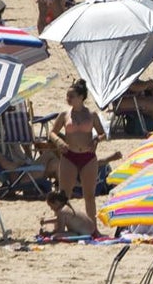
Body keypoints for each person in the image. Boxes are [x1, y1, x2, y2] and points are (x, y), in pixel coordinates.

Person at [50, 80, 122, 235]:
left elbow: (103, 134)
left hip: (88, 157)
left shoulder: (91, 115)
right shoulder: (64, 114)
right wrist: (58, 141)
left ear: (81, 97)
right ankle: (60, 226)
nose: (68, 99)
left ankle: (93, 229)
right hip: (69, 156)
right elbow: (52, 132)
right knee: (63, 196)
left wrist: (96, 140)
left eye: (72, 96)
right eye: (67, 96)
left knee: (89, 196)